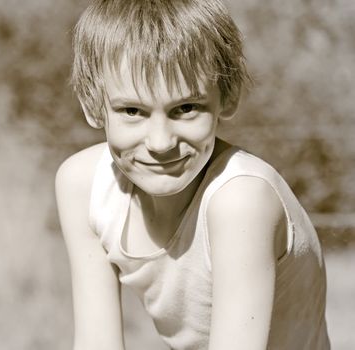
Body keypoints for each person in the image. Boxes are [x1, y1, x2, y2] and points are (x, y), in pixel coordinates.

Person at [55, 0, 330, 349]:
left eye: (185, 108)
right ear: (94, 106)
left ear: (227, 96)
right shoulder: (84, 185)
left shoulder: (240, 200)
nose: (160, 142)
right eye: (132, 110)